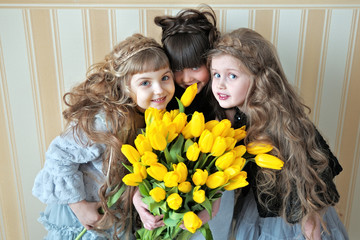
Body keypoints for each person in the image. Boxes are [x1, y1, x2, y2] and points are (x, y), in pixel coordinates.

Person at [207, 27, 349, 240]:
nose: (220, 84)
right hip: (258, 211)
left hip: (295, 220)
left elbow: (305, 182)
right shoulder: (236, 117)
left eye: (232, 76)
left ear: (258, 78)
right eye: (216, 74)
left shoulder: (281, 124)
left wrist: (311, 233)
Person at [32, 34, 175, 240]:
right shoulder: (105, 120)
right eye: (145, 82)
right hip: (83, 215)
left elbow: (127, 171)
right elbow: (58, 156)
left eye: (165, 77)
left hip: (114, 218)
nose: (159, 89)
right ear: (125, 87)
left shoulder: (153, 119)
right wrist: (79, 206)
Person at [132, 6, 235, 240]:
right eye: (177, 69)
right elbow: (145, 156)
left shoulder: (220, 101)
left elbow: (227, 159)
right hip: (170, 191)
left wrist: (213, 205)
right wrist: (138, 199)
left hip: (216, 189)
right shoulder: (165, 98)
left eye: (195, 67)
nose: (186, 78)